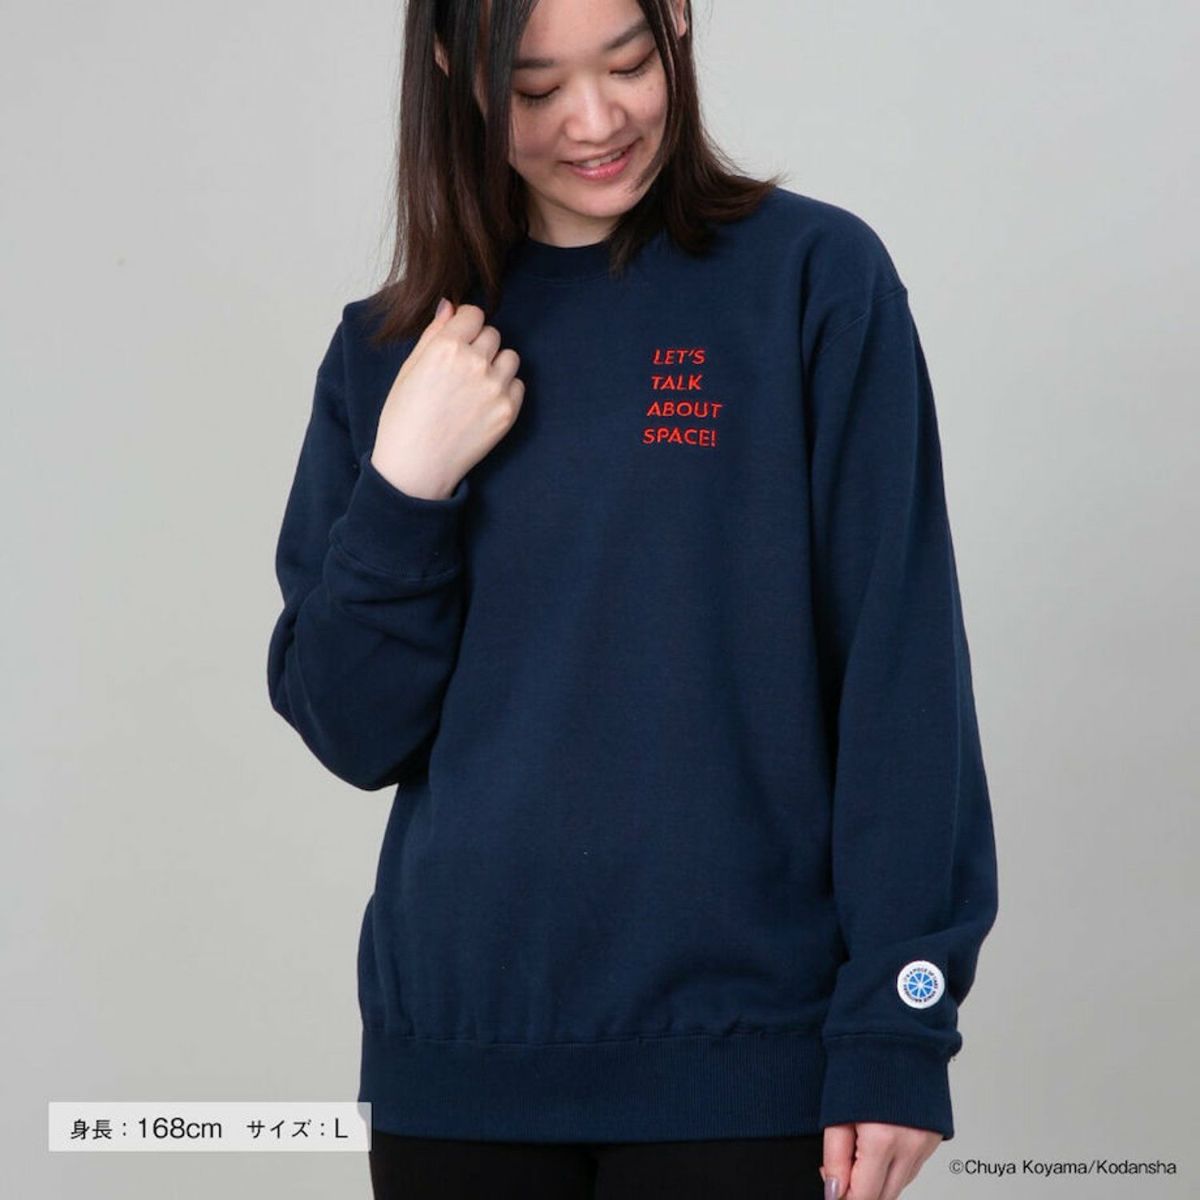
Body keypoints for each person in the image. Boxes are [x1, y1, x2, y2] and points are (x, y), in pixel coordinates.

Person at [265, 0, 1000, 1196]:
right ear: (454, 65)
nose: (595, 121)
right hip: (455, 1068)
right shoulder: (394, 352)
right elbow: (355, 730)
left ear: (681, 23)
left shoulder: (813, 282)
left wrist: (899, 1024)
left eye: (627, 63)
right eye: (536, 88)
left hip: (746, 1061)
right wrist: (406, 484)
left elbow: (900, 669)